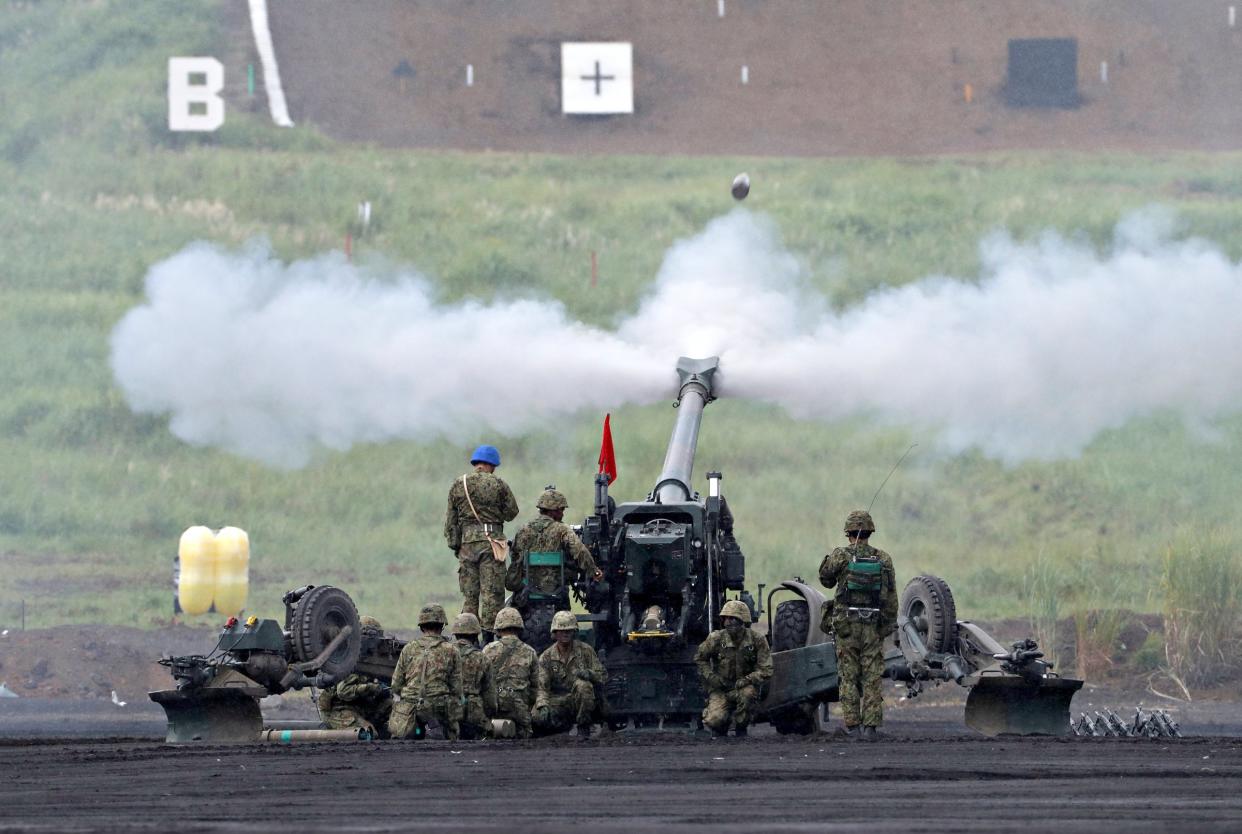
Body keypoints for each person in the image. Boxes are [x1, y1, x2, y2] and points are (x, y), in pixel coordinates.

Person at [818, 509, 897, 739]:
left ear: (848, 533)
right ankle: (870, 727)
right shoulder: (883, 559)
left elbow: (825, 580)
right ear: (870, 532)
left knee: (848, 676)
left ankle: (852, 726)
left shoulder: (841, 556)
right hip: (872, 626)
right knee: (872, 676)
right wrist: (885, 627)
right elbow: (891, 598)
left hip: (846, 627)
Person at [444, 444, 520, 641]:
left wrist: (456, 546)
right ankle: (488, 640)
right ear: (492, 465)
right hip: (492, 544)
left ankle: (467, 639)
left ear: (476, 463)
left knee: (470, 595)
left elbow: (450, 522)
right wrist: (495, 517)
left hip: (466, 546)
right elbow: (512, 512)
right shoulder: (498, 484)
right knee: (491, 594)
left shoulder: (459, 484)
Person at [506, 487, 603, 601]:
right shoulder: (562, 530)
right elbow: (580, 551)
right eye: (561, 510)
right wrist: (594, 572)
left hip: (526, 591)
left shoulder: (523, 530)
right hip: (556, 591)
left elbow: (514, 556)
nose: (562, 514)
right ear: (553, 511)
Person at [694, 599, 772, 737]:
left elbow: (766, 669)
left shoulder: (757, 640)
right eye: (726, 618)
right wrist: (712, 678)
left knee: (748, 695)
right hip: (720, 688)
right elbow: (700, 659)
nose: (728, 622)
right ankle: (722, 725)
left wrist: (747, 680)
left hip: (743, 687)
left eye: (733, 618)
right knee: (714, 721)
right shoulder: (716, 638)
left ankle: (741, 727)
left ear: (743, 620)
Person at [388, 603, 463, 741]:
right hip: (438, 710)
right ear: (442, 626)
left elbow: (396, 685)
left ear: (422, 627)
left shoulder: (408, 648)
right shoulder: (451, 650)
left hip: (408, 711)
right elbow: (456, 689)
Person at [533, 610, 607, 740]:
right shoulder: (546, 656)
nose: (565, 633)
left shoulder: (585, 651)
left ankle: (583, 726)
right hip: (558, 700)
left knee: (583, 686)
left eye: (569, 630)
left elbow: (602, 676)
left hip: (582, 700)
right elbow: (541, 686)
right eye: (561, 630)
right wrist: (542, 705)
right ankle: (560, 728)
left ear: (574, 631)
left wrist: (590, 674)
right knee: (536, 716)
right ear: (555, 633)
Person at [316, 615, 392, 738]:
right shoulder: (348, 658)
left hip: (360, 706)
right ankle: (334, 728)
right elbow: (343, 691)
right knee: (370, 734)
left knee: (392, 708)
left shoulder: (370, 658)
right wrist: (373, 688)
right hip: (339, 709)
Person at [481, 606, 540, 738]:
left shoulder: (488, 650)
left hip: (494, 710)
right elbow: (535, 689)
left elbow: (481, 683)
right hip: (519, 711)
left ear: (498, 629)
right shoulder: (530, 652)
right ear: (519, 628)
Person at [451, 612, 498, 740]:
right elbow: (490, 699)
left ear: (455, 634)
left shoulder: (443, 654)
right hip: (473, 716)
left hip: (446, 713)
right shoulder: (482, 658)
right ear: (476, 635)